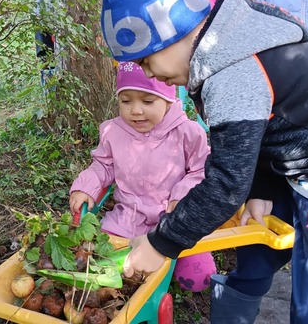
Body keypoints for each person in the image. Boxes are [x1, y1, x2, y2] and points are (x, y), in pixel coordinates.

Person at [100, 0, 308, 323]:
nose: (149, 74)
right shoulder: (222, 47)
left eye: (145, 60)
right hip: (306, 157)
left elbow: (226, 185)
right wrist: (261, 186)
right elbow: (263, 126)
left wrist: (161, 243)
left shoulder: (231, 72)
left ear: (172, 30)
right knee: (256, 253)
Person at [68, 61, 216, 292]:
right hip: (128, 219)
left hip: (175, 220)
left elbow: (201, 171)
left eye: (148, 101)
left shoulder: (188, 132)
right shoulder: (113, 131)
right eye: (126, 101)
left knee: (199, 278)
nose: (136, 110)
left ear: (167, 100)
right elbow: (103, 166)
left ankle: (166, 270)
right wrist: (85, 187)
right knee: (97, 264)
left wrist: (181, 196)